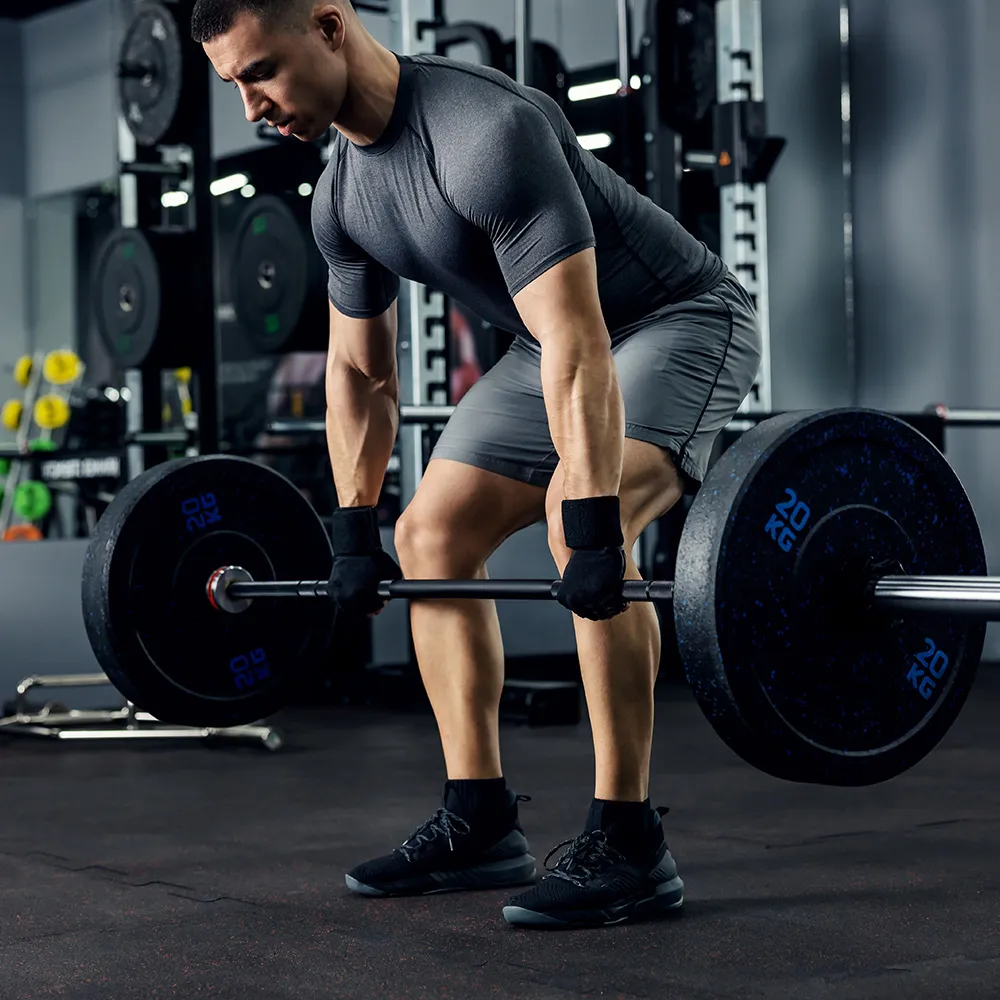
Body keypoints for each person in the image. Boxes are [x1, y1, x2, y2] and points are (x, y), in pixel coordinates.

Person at [193, 0, 762, 929]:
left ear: (329, 28)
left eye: (260, 72)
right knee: (429, 536)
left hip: (676, 320)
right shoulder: (340, 196)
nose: (252, 108)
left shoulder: (486, 130)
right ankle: (479, 818)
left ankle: (630, 840)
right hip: (549, 347)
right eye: (234, 86)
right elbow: (360, 371)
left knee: (586, 518)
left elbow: (579, 335)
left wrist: (590, 527)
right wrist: (353, 526)